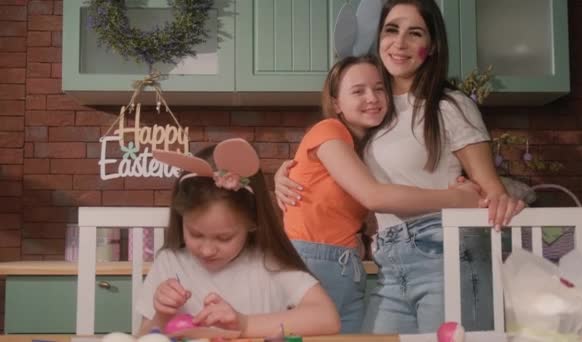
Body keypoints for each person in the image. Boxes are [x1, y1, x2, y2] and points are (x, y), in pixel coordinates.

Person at [274, 0, 525, 334]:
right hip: (389, 263)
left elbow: (490, 189)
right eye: (391, 30)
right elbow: (338, 173)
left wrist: (500, 201)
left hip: (446, 255)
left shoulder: (450, 106)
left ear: (432, 46)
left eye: (415, 33)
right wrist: (285, 174)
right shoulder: (374, 113)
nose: (400, 43)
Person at [280, 54, 490, 334]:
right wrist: (458, 199)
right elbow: (374, 197)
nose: (372, 97)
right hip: (316, 265)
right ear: (335, 103)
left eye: (379, 88)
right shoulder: (328, 130)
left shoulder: (365, 151)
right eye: (358, 91)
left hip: (347, 267)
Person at [136, 138, 340, 338]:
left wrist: (244, 324)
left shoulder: (268, 263)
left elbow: (327, 318)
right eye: (196, 234)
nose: (207, 250)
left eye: (224, 238)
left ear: (252, 224)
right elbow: (143, 335)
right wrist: (163, 316)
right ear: (181, 220)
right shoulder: (169, 263)